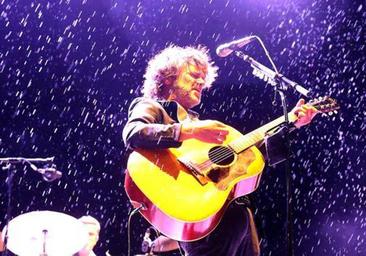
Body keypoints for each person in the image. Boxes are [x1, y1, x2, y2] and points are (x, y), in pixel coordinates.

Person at [122, 45, 317, 256]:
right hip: (203, 215)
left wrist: (292, 124)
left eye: (203, 79)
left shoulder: (199, 125)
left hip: (235, 212)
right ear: (168, 77)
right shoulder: (153, 107)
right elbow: (133, 133)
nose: (200, 82)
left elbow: (254, 155)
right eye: (193, 75)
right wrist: (186, 132)